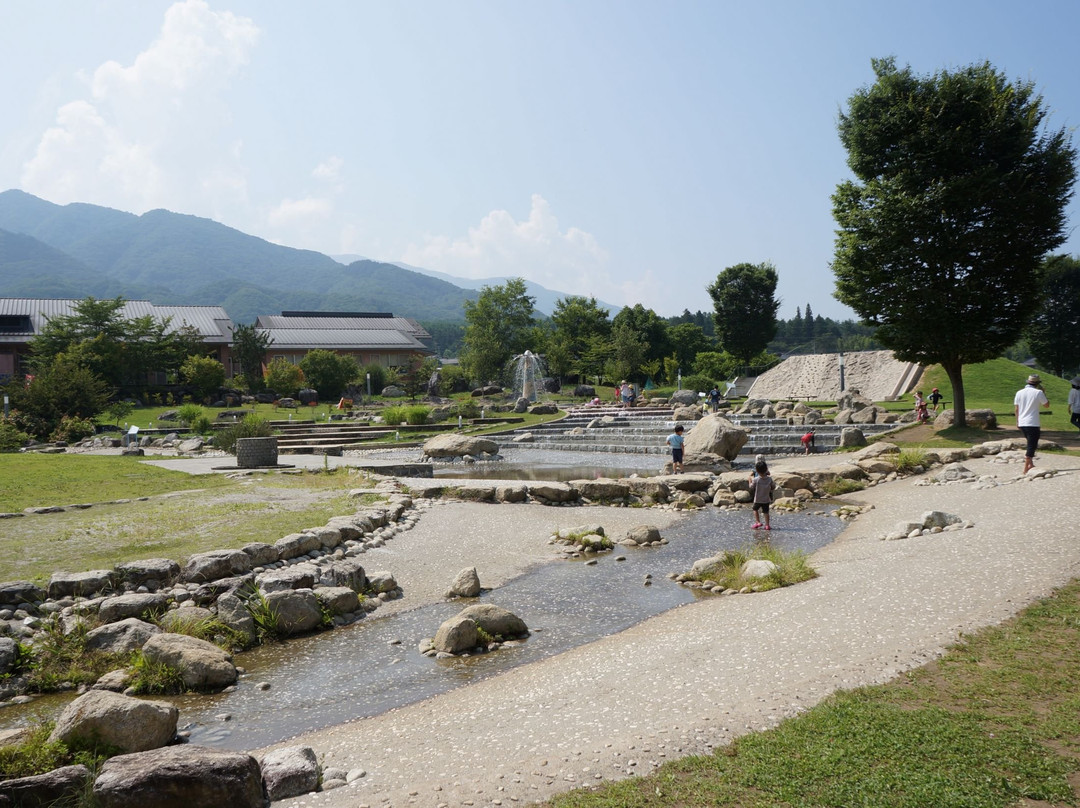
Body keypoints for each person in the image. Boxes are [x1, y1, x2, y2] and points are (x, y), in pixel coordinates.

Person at [1014, 373, 1050, 474]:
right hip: (1033, 422)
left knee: (1030, 442)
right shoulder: (1038, 392)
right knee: (1032, 444)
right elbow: (1047, 405)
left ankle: (1030, 463)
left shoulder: (1019, 392)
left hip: (1022, 422)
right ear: (1037, 383)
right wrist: (1044, 393)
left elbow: (1016, 409)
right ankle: (1026, 467)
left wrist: (1017, 421)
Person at [749, 459, 776, 530]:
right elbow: (773, 486)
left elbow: (751, 487)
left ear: (757, 471)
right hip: (766, 499)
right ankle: (767, 525)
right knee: (766, 512)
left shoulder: (756, 479)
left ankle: (758, 522)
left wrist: (749, 481)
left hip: (757, 499)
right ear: (766, 469)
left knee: (755, 509)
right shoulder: (769, 479)